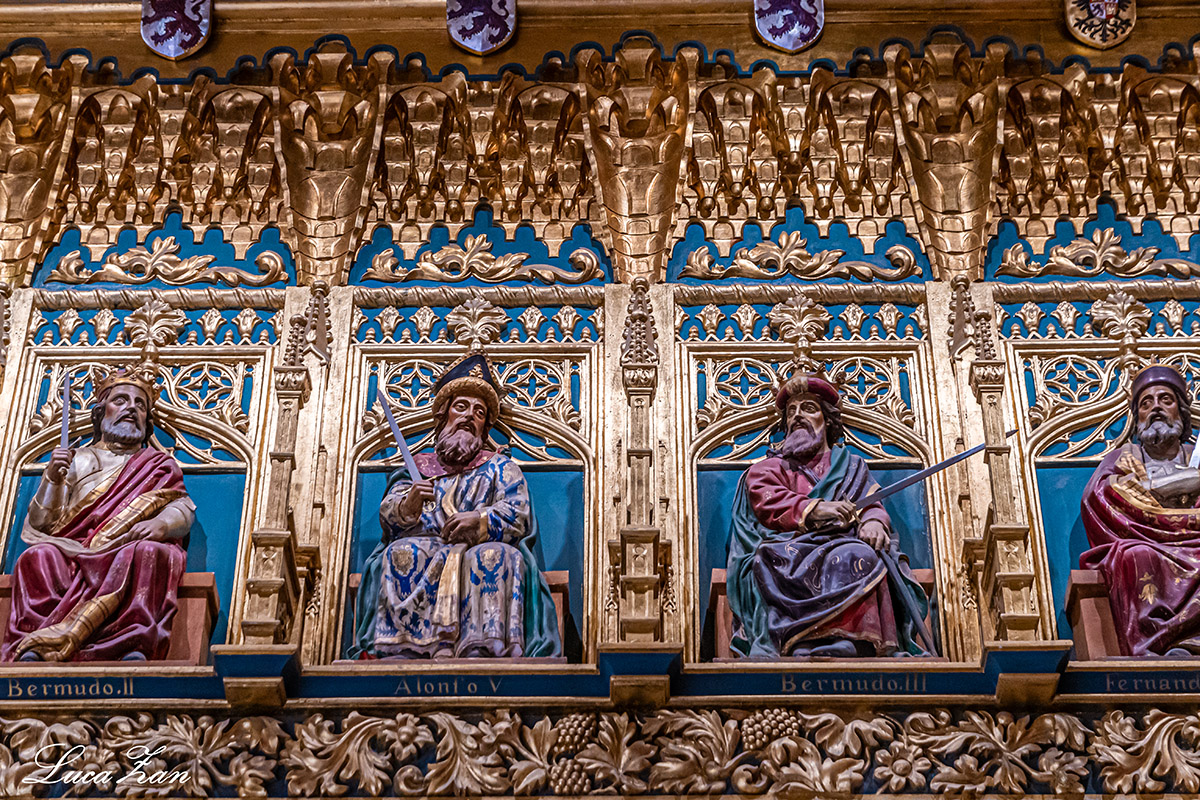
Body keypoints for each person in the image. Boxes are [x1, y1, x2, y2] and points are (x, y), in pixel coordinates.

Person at [351, 354, 561, 659]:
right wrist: (410, 503)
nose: (469, 416)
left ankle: (482, 646)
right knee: (402, 552)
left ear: (485, 427)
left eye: (479, 412)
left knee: (497, 556)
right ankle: (406, 647)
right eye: (461, 407)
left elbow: (518, 513)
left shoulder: (500, 467)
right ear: (444, 415)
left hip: (479, 546)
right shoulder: (418, 468)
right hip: (425, 546)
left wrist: (479, 519)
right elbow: (389, 515)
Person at [726, 372, 930, 658]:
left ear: (827, 420)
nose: (798, 416)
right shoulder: (768, 468)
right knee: (772, 559)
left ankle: (853, 638)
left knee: (861, 555)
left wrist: (873, 522)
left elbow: (870, 502)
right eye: (791, 412)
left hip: (843, 543)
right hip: (787, 546)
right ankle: (801, 640)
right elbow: (769, 502)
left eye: (808, 408)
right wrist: (817, 509)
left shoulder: (850, 465)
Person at [2, 365, 195, 662]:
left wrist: (160, 524)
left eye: (140, 404)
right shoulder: (76, 459)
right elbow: (43, 524)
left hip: (125, 547)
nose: (131, 408)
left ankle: (130, 642)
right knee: (37, 557)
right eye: (120, 400)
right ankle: (36, 643)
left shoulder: (158, 465)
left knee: (150, 553)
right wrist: (52, 478)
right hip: (72, 550)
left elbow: (180, 506)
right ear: (101, 412)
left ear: (147, 420)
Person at [1081, 364, 1200, 656]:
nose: (1155, 408)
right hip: (1146, 540)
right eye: (1146, 403)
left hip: (1195, 540)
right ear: (1138, 418)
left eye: (1165, 400)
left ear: (1181, 411)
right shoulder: (1124, 457)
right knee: (1136, 555)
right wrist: (1167, 486)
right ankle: (1157, 644)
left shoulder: (1195, 456)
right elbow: (1099, 497)